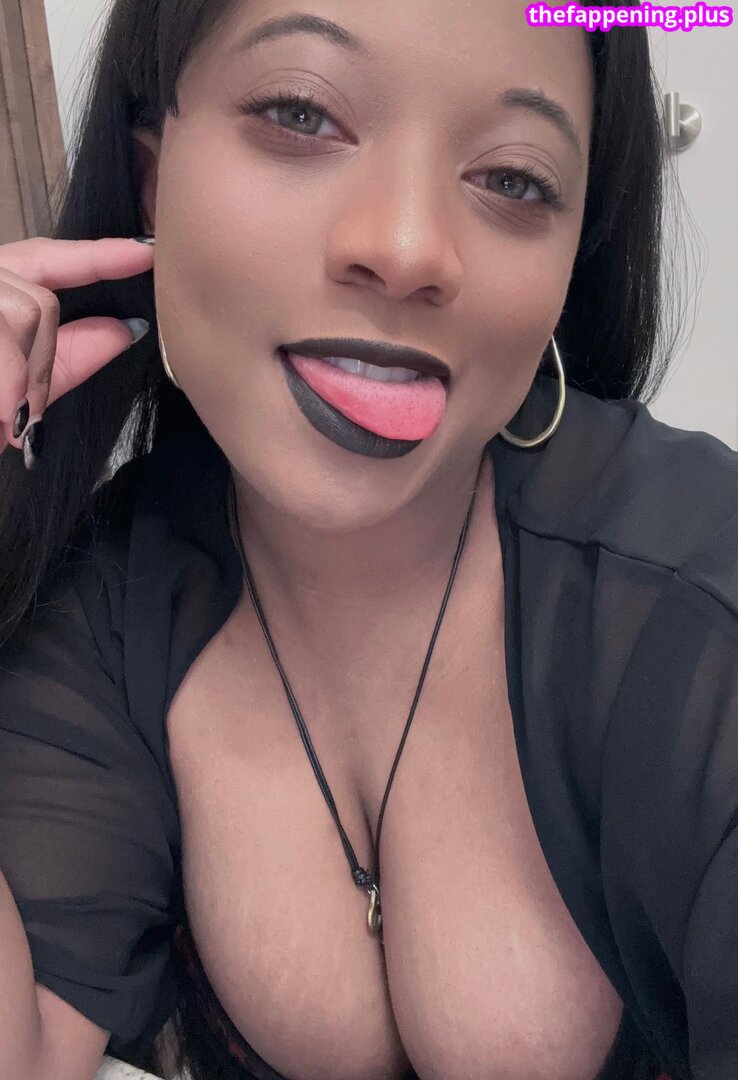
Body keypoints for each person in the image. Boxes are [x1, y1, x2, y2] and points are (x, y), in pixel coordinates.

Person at [0, 0, 735, 1078]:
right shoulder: (111, 602)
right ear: (154, 183)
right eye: (301, 113)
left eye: (515, 178)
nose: (405, 250)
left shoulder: (695, 597)